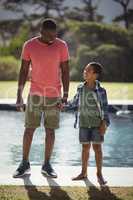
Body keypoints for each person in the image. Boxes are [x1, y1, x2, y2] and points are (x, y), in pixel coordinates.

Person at [13, 18, 69, 178]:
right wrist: (19, 95)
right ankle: (24, 163)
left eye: (54, 35)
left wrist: (65, 95)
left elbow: (66, 71)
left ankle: (47, 164)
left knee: (50, 131)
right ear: (41, 32)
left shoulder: (62, 45)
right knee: (29, 129)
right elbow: (23, 70)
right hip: (35, 94)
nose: (52, 39)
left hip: (54, 95)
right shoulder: (29, 45)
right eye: (49, 36)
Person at [71, 62, 110, 185]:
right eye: (84, 70)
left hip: (96, 125)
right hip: (83, 123)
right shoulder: (80, 88)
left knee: (97, 148)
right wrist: (62, 104)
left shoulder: (101, 91)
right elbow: (74, 103)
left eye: (88, 71)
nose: (85, 72)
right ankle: (83, 173)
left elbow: (105, 108)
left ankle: (99, 174)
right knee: (85, 148)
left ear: (95, 75)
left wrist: (104, 123)